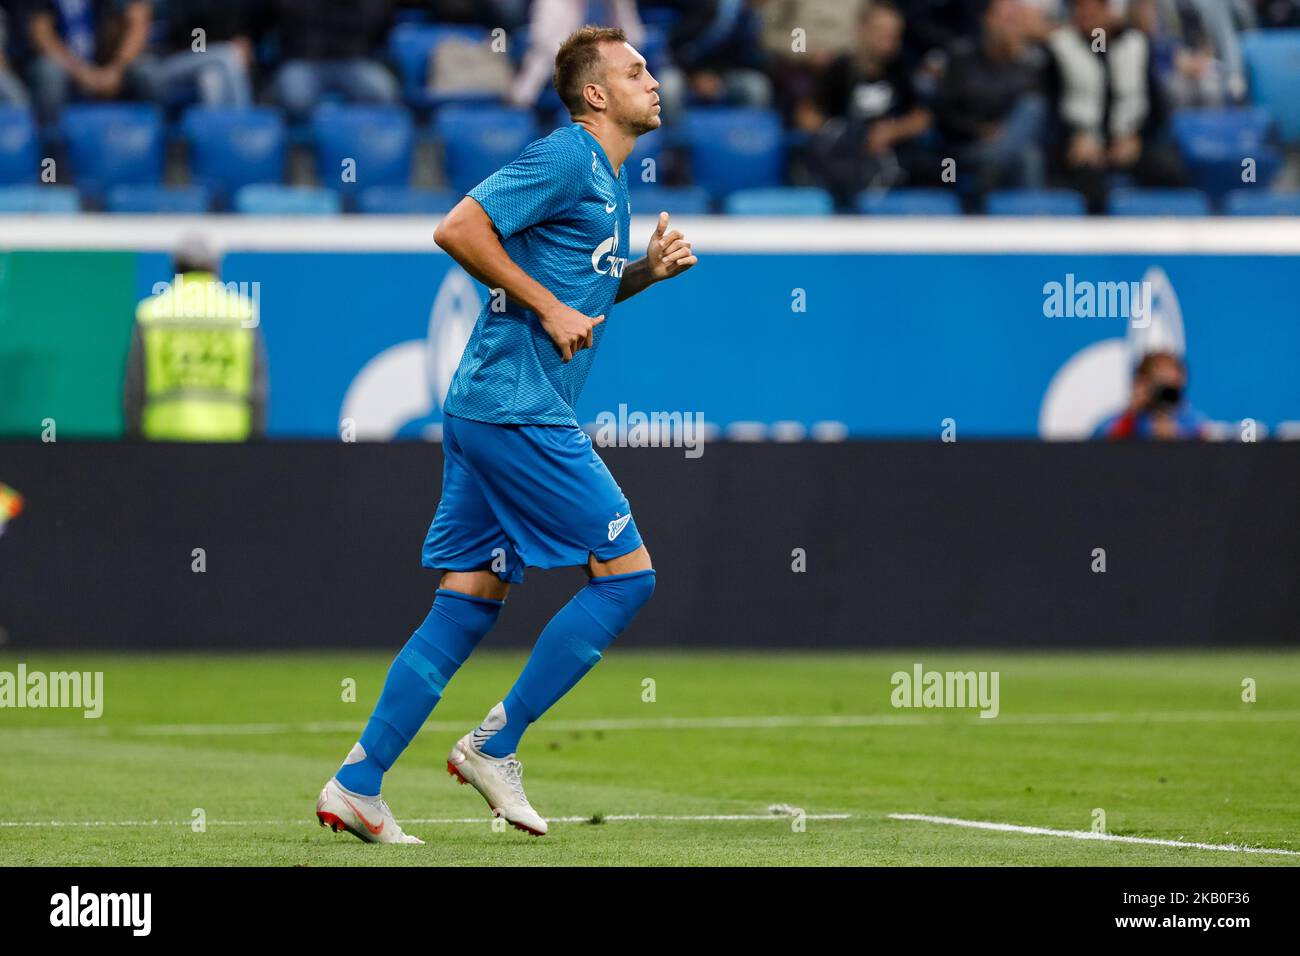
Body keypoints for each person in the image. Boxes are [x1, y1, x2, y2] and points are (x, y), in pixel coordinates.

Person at [315, 25, 697, 844]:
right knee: (627, 579)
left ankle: (358, 781)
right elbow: (457, 228)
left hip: (486, 406)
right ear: (595, 94)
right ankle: (498, 742)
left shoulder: (609, 178)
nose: (652, 81)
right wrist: (551, 306)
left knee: (469, 601)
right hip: (516, 406)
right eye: (635, 72)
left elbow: (573, 305)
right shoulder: (567, 157)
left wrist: (640, 276)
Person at [1043, 0, 1188, 212]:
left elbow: (1157, 107)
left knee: (1173, 174)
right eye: (1080, 9)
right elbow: (1050, 107)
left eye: (1092, 9)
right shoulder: (1060, 47)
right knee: (1088, 186)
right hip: (1082, 148)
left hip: (1129, 143)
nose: (1085, 15)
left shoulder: (1137, 45)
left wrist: (1136, 138)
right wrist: (1073, 137)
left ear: (1107, 10)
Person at [123, 236, 268, 442]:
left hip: (164, 441)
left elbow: (135, 389)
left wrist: (136, 441)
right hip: (230, 443)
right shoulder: (242, 314)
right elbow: (257, 391)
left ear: (175, 267)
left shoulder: (151, 314)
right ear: (215, 267)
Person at [795, 0, 933, 203]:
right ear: (862, 29)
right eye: (882, 32)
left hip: (891, 157)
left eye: (894, 34)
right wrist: (839, 133)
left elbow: (922, 117)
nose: (889, 40)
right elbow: (805, 115)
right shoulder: (840, 69)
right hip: (847, 158)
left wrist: (892, 132)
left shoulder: (901, 70)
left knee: (936, 167)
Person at [936, 0, 1046, 199]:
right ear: (986, 20)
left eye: (1014, 21)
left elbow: (1032, 119)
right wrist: (979, 130)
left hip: (1006, 147)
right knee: (1025, 156)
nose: (1008, 27)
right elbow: (943, 114)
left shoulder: (1028, 65)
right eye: (1003, 19)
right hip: (966, 147)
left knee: (1032, 118)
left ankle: (1028, 223)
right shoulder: (961, 58)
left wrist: (1021, 54)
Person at [26, 0, 155, 124]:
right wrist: (81, 73)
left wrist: (116, 70)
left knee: (147, 71)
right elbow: (41, 34)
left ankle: (159, 139)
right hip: (67, 70)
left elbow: (138, 20)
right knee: (48, 72)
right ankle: (51, 139)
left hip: (111, 69)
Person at [269, 0, 399, 124]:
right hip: (302, 60)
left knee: (383, 91)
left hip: (352, 60)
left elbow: (379, 21)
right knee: (296, 98)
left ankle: (356, 132)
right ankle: (307, 141)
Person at [1093, 351, 1208, 440]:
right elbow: (1100, 448)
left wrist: (1176, 436)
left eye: (1171, 385)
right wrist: (1131, 414)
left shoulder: (1191, 419)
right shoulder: (1128, 419)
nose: (1164, 392)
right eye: (1159, 383)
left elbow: (1206, 453)